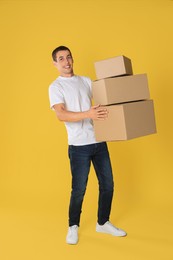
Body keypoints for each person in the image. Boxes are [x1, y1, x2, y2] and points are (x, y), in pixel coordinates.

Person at [48, 45, 127, 245]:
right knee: (79, 189)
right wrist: (88, 114)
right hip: (78, 146)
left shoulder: (85, 81)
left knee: (108, 185)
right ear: (55, 64)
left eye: (69, 57)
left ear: (72, 59)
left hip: (99, 141)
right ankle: (73, 226)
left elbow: (104, 99)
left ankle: (103, 222)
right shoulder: (55, 87)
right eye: (61, 59)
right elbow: (61, 115)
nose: (66, 62)